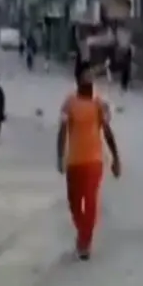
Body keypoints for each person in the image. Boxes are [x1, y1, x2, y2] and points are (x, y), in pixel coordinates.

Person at [56, 62, 122, 260]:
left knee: (91, 201)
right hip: (74, 161)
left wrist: (116, 158)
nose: (90, 80)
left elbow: (108, 132)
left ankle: (85, 243)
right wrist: (60, 156)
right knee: (74, 203)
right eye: (86, 76)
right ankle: (82, 232)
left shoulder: (99, 104)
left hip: (94, 161)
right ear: (77, 80)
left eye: (91, 77)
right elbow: (62, 131)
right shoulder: (69, 103)